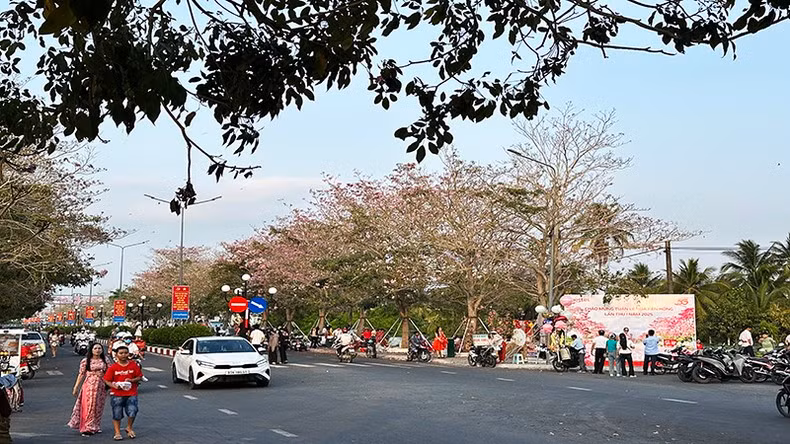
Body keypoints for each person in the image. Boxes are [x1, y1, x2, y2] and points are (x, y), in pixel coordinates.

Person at [68, 343, 111, 436]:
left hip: (101, 385)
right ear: (91, 350)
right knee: (89, 405)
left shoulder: (105, 360)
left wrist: (110, 384)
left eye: (99, 348)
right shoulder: (86, 361)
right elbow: (81, 374)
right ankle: (87, 427)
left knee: (98, 406)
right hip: (89, 385)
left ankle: (96, 425)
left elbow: (109, 372)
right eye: (95, 348)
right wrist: (76, 387)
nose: (98, 350)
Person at [104, 345, 144, 441]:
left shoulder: (133, 365)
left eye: (125, 353)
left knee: (133, 411)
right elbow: (107, 380)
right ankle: (117, 432)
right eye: (121, 353)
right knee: (117, 413)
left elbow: (139, 377)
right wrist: (114, 386)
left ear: (128, 354)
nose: (123, 355)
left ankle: (129, 427)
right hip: (117, 394)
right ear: (116, 355)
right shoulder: (113, 367)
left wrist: (131, 380)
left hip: (131, 393)